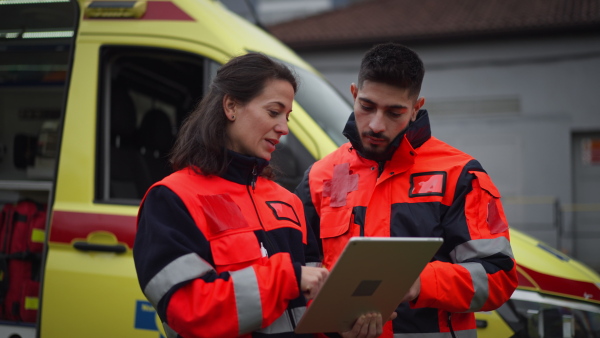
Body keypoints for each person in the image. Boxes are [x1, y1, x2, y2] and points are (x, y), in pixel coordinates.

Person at [295, 43, 519, 337]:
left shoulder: (460, 174)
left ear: (416, 109)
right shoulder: (320, 177)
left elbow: (498, 276)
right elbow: (296, 277)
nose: (376, 124)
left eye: (394, 112)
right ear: (353, 94)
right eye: (367, 106)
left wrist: (418, 283)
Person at [133, 52, 331, 338]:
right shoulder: (172, 199)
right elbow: (187, 309)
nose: (283, 128)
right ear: (231, 106)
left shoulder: (289, 202)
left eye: (287, 117)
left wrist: (344, 326)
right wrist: (287, 278)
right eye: (274, 112)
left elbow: (311, 302)